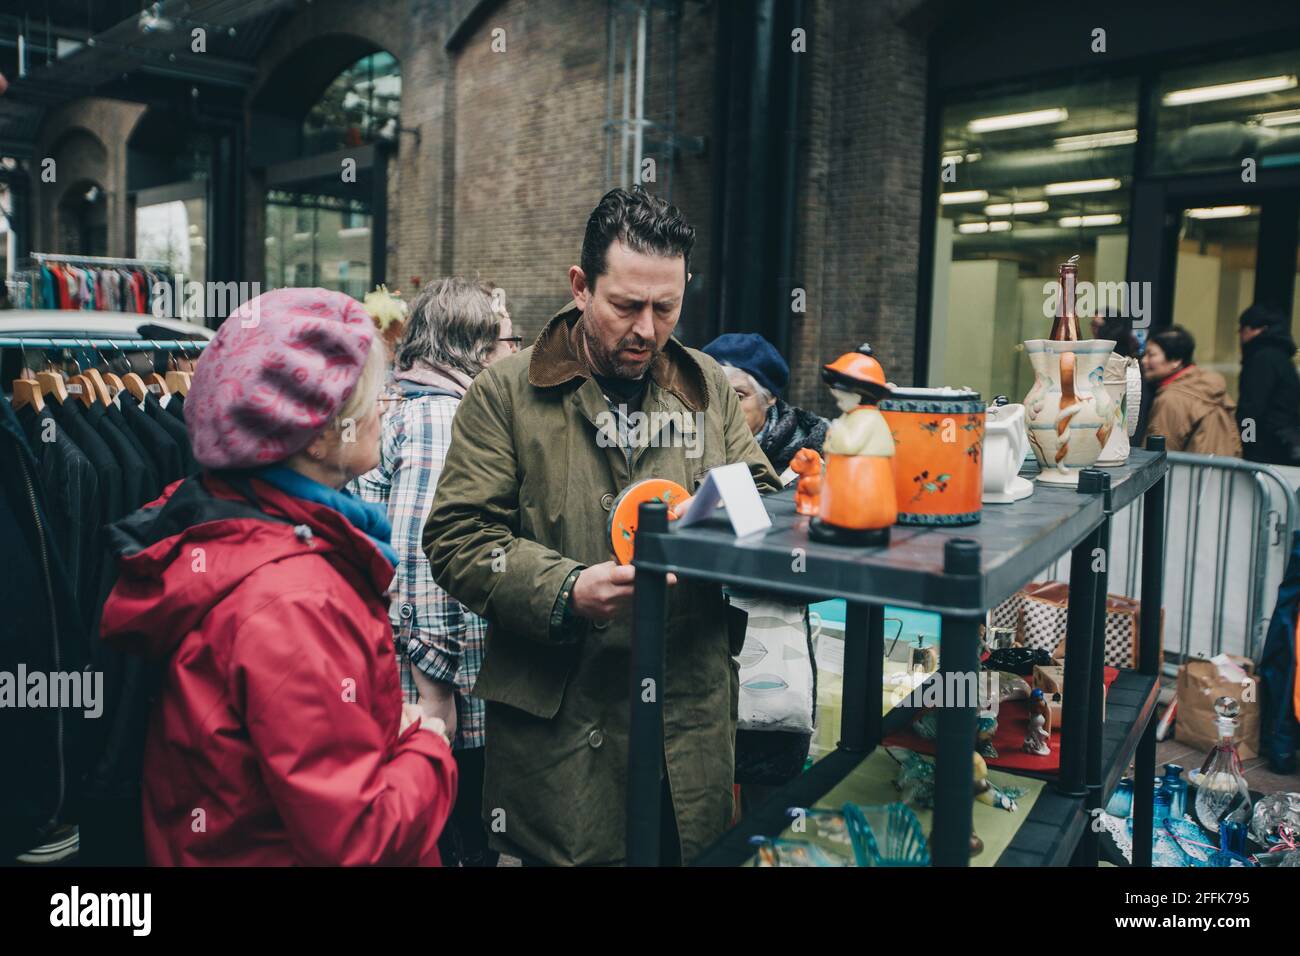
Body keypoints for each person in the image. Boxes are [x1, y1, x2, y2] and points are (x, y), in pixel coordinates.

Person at [423, 187, 781, 866]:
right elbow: (458, 537)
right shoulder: (505, 393)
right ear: (581, 286)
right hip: (563, 733)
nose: (647, 329)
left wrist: (728, 526)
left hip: (688, 726)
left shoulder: (705, 384)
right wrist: (567, 589)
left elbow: (758, 494)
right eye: (626, 306)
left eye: (666, 307)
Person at [99, 288, 457, 866]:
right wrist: (428, 748)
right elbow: (355, 838)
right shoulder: (297, 601)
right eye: (370, 397)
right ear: (317, 434)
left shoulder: (227, 526)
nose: (385, 407)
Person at [353, 277, 516, 868]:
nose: (514, 353)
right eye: (504, 340)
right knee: (455, 844)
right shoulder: (442, 421)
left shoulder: (412, 404)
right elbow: (427, 559)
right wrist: (437, 689)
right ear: (469, 349)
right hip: (438, 692)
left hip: (426, 679)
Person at [702, 331, 829, 474]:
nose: (721, 407)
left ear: (769, 397)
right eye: (712, 395)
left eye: (738, 397)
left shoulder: (816, 456)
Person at [1141, 325, 1242, 457]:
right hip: (1221, 471)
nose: (1144, 360)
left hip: (1188, 475)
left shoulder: (1172, 398)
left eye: (1151, 355)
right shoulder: (1209, 387)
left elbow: (1156, 456)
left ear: (1176, 360)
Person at [1236, 303, 1300, 466]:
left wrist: (1247, 442)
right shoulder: (1281, 358)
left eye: (1242, 329)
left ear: (1257, 329)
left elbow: (1249, 410)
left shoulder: (1261, 359)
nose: (1240, 336)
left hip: (1267, 448)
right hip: (1284, 444)